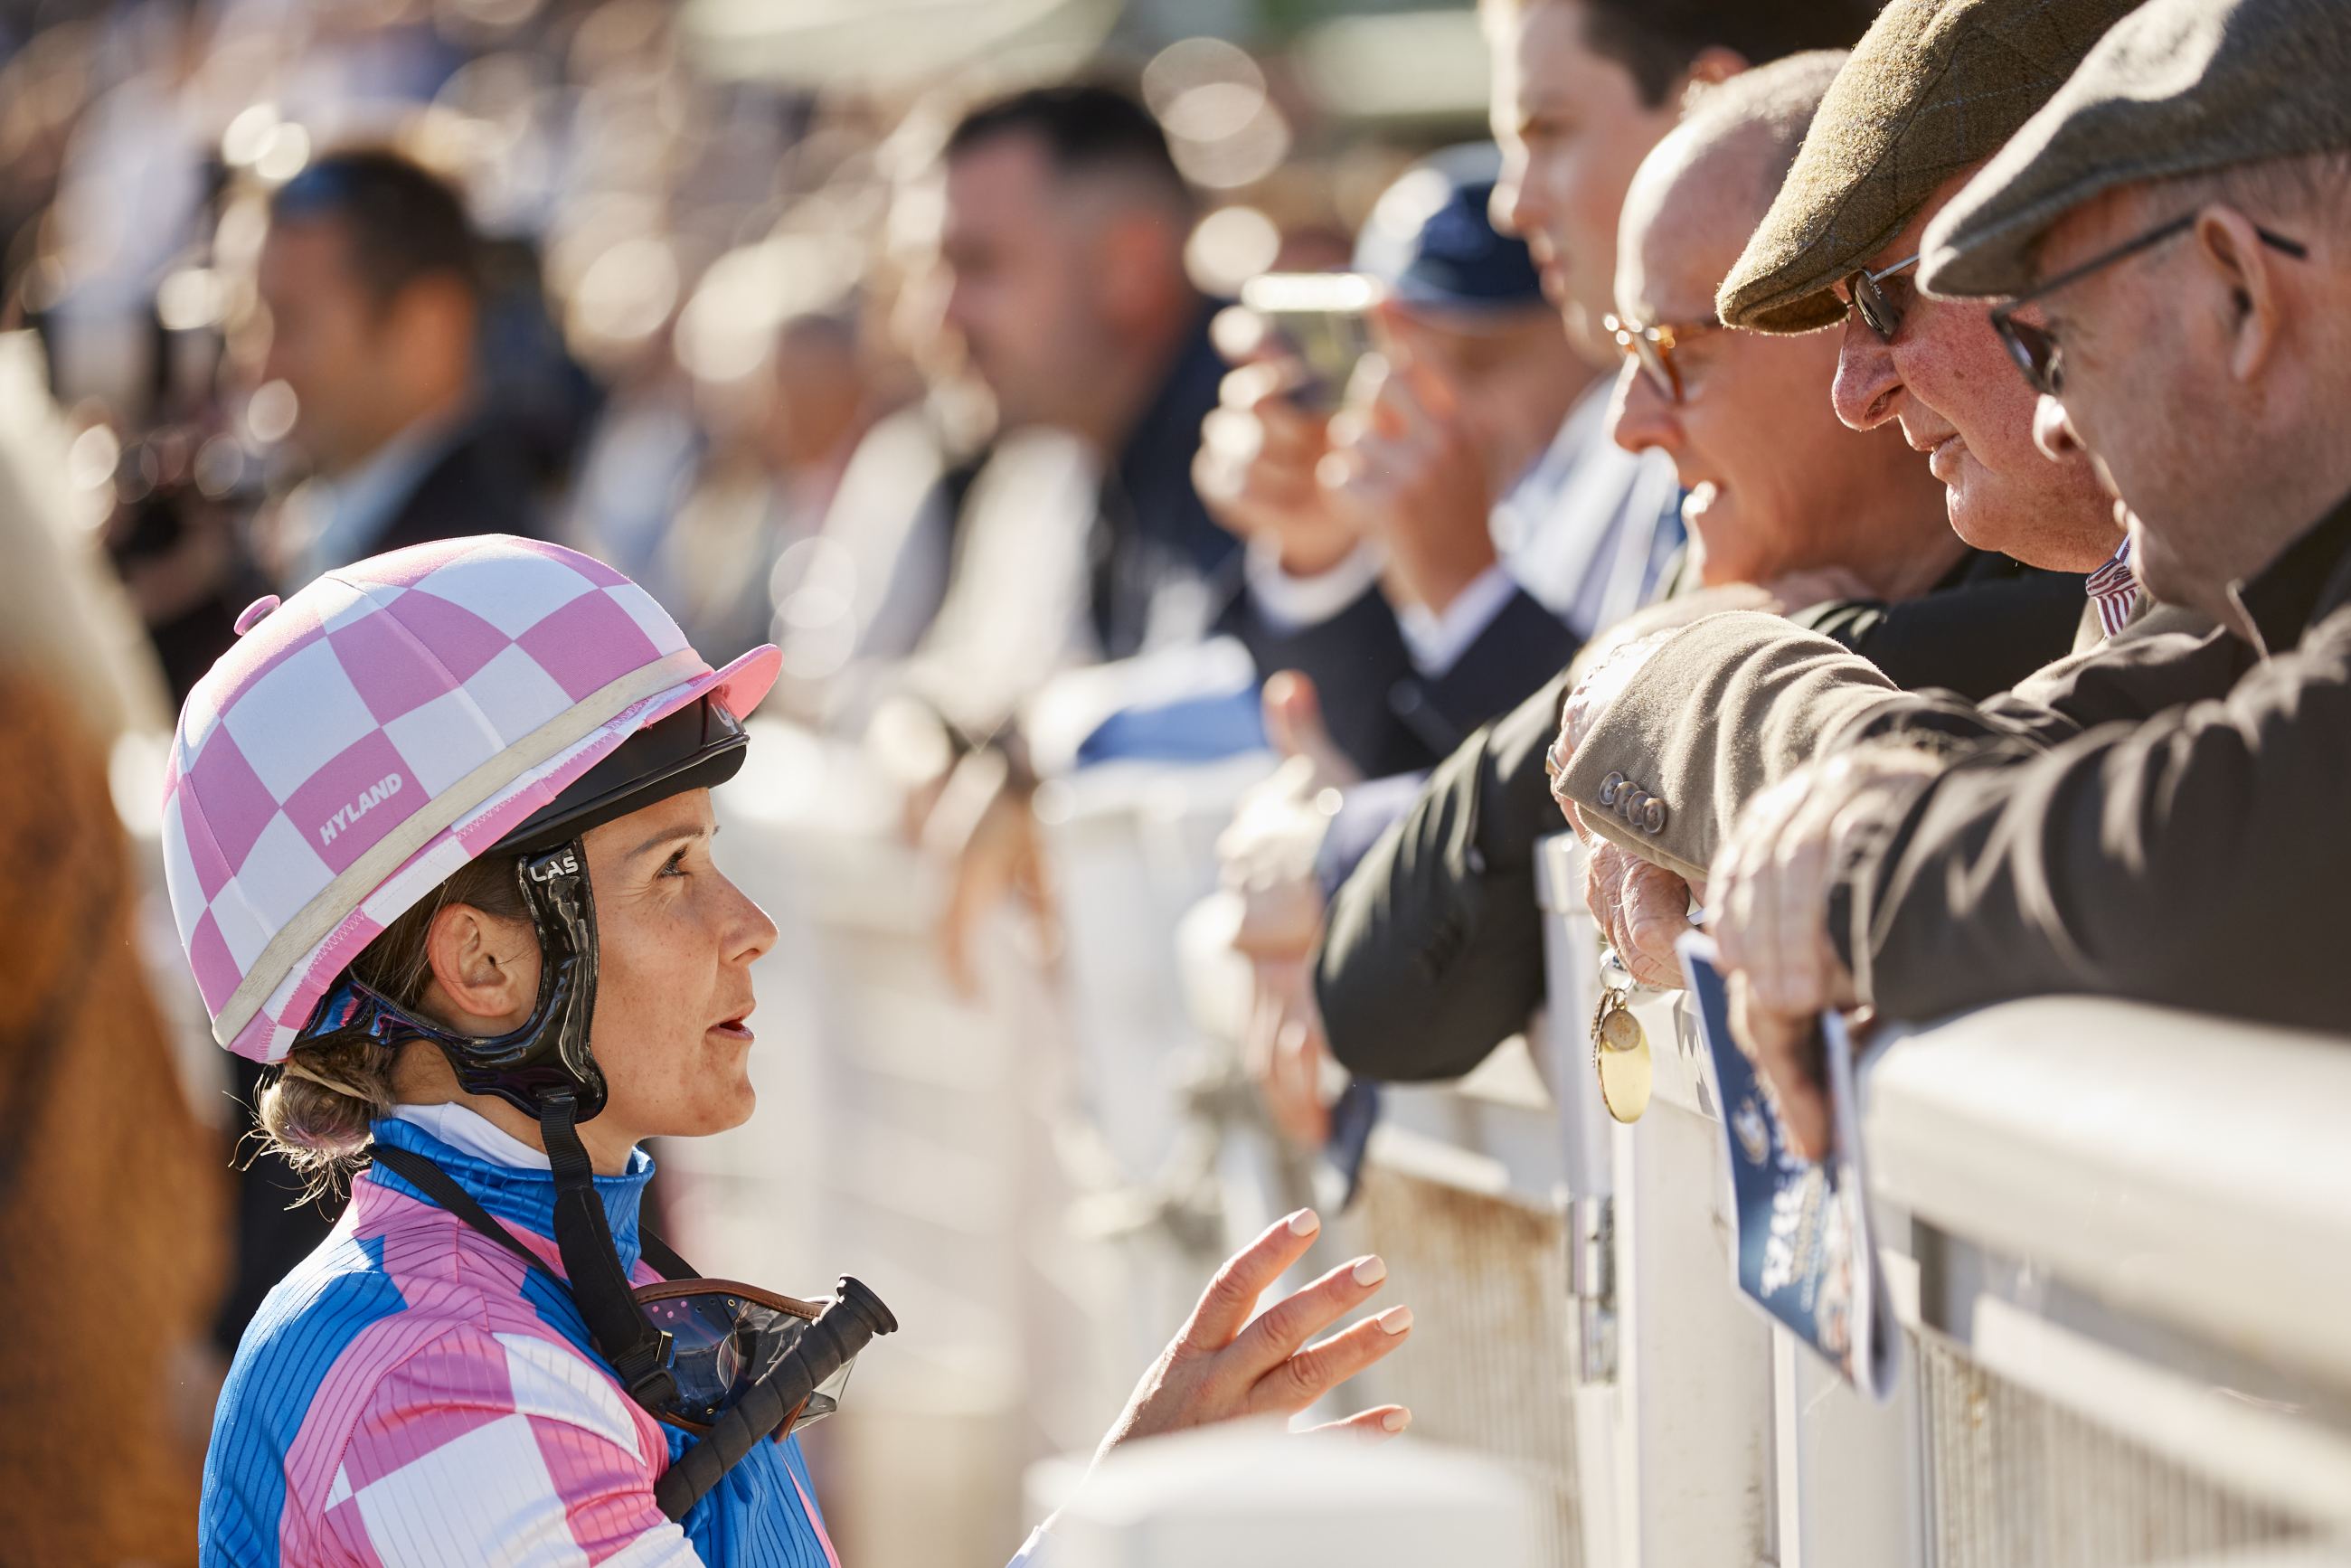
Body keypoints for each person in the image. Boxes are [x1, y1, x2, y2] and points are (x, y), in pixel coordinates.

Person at [175, 537, 1412, 1564]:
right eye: (672, 872)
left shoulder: (527, 1296)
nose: (749, 926)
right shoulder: (433, 1381)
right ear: (485, 965)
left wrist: (1127, 1505)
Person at [1311, 47, 2086, 1086]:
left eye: (1674, 352)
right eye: (1624, 357)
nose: (1629, 427)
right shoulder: (1730, 583)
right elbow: (1381, 999)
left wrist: (1655, 669)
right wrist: (1657, 661)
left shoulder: (2070, 597)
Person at [1702, 0, 2351, 1156]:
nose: (2054, 423)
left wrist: (1866, 869)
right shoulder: (2265, 589)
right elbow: (2145, 728)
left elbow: (2267, 834)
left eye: (2055, 344)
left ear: (2238, 290)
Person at [1545, 0, 2152, 986]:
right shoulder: (2148, 591)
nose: (1854, 390)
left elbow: (2024, 836)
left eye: (1884, 296)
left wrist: (1682, 678)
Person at [256, 148, 542, 588]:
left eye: (292, 322)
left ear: (428, 327)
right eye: (253, 323)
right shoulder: (337, 526)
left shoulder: (482, 584)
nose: (265, 367)